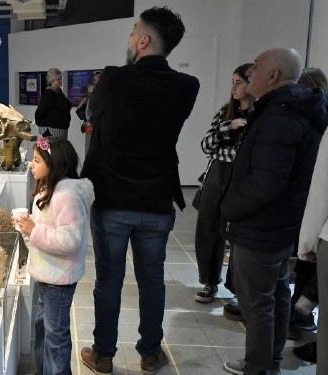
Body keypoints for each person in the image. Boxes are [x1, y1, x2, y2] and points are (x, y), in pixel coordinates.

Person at [79, 6, 199, 375]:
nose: (130, 38)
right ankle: (149, 353)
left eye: (134, 32)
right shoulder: (187, 86)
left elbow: (89, 116)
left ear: (144, 40)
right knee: (152, 280)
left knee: (109, 280)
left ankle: (103, 355)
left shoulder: (115, 79)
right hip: (158, 200)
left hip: (113, 199)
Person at [220, 49, 327, 375]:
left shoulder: (280, 117)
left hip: (261, 229)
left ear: (273, 75)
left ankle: (259, 367)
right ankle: (269, 363)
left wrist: (229, 208)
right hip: (279, 228)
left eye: (257, 66)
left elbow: (267, 183)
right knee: (276, 298)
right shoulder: (290, 110)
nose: (251, 69)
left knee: (258, 306)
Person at [13, 136, 94, 375]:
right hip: (46, 274)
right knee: (43, 328)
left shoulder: (65, 197)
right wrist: (28, 227)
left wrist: (34, 231)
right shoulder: (48, 191)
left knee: (55, 335)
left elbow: (70, 241)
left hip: (58, 279)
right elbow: (45, 231)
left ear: (54, 164)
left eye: (37, 160)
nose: (31, 164)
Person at [193, 64, 254, 322]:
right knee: (207, 229)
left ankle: (237, 289)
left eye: (239, 82)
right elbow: (206, 145)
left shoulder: (261, 114)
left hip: (242, 177)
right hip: (217, 174)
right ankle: (209, 281)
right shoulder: (225, 112)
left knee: (236, 234)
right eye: (232, 81)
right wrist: (229, 127)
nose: (234, 87)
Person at [290, 67, 328, 366]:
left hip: (317, 219)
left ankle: (302, 312)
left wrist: (306, 243)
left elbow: (321, 190)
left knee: (308, 267)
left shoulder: (307, 118)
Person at [35, 68, 72, 139]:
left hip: (61, 130)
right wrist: (44, 129)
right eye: (58, 79)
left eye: (61, 78)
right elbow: (39, 112)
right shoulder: (49, 94)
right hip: (52, 131)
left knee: (61, 149)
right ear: (51, 81)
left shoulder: (59, 92)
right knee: (55, 149)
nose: (61, 81)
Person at [76, 71, 103, 156]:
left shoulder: (103, 94)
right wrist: (87, 96)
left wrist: (92, 94)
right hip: (88, 128)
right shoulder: (90, 94)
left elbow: (98, 107)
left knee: (96, 154)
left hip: (97, 129)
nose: (95, 82)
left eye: (97, 80)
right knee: (88, 152)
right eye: (94, 80)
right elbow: (79, 110)